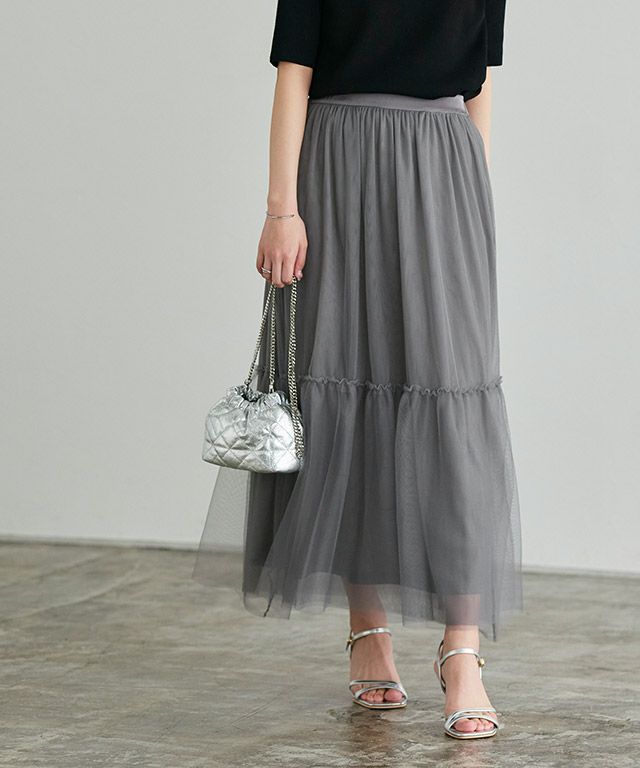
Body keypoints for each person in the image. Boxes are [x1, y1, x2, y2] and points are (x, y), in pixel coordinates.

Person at [194, 0, 523, 740]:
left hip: (444, 168)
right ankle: (367, 627)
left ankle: (462, 650)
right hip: (338, 166)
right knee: (342, 385)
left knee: (453, 402)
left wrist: (472, 196)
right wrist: (282, 209)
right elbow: (295, 72)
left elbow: (479, 83)